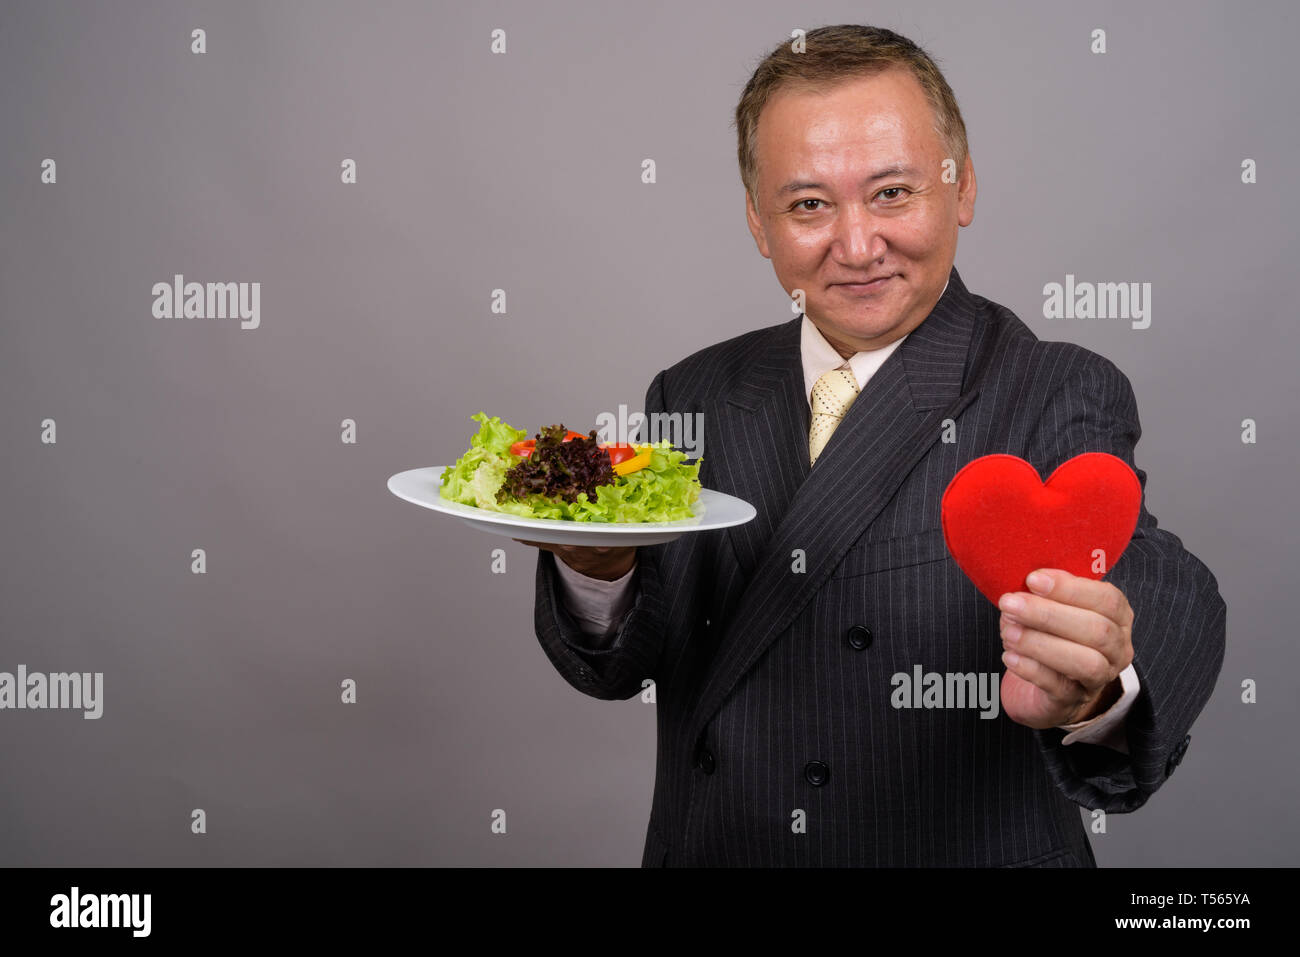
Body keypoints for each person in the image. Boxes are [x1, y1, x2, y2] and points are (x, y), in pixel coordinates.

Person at [516, 24, 1226, 867]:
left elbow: (1143, 587)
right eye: (809, 204)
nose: (857, 247)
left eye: (892, 192)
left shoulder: (1054, 390)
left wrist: (1098, 690)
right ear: (758, 221)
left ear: (962, 188)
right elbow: (620, 666)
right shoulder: (693, 391)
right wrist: (596, 570)